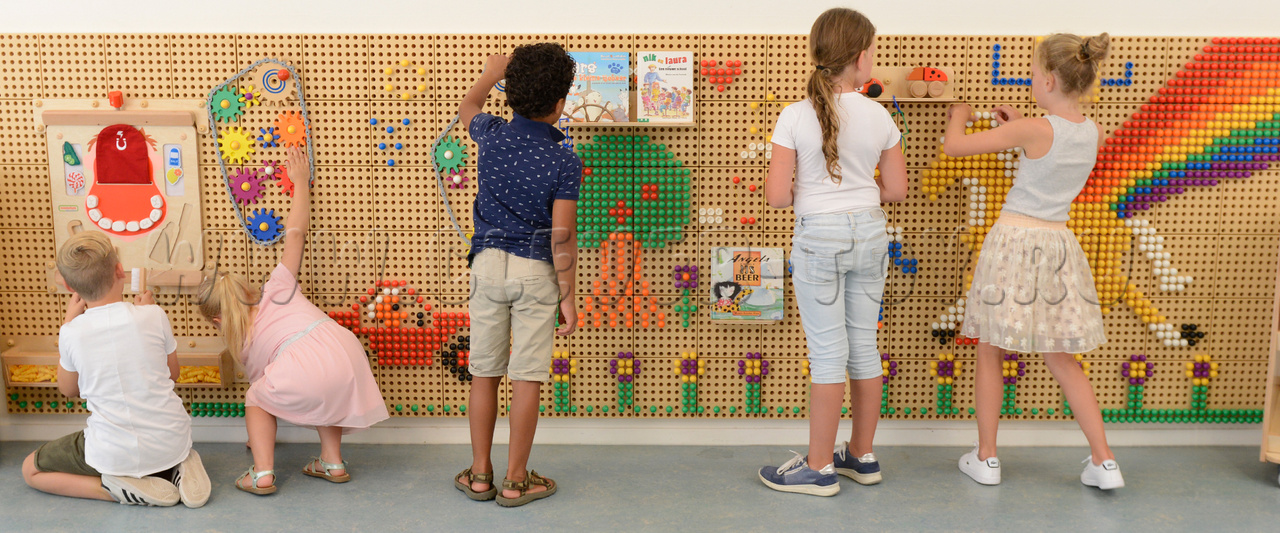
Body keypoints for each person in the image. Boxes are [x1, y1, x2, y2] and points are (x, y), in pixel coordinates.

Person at [944, 32, 1123, 490]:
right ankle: (1104, 462)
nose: (1029, 80)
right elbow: (1050, 150)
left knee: (990, 348)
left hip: (1014, 243)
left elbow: (955, 147)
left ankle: (987, 458)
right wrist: (1021, 125)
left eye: (1031, 73)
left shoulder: (1034, 129)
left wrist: (958, 114)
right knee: (1063, 358)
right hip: (1059, 245)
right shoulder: (1092, 131)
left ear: (1047, 80)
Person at [759, 7, 908, 497]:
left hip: (819, 236)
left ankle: (819, 467)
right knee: (864, 346)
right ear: (862, 58)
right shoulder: (880, 115)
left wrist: (813, 189)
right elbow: (896, 190)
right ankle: (861, 456)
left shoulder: (793, 115)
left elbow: (777, 197)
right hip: (870, 232)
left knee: (827, 355)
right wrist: (859, 188)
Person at [196, 146, 389, 495]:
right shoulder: (277, 287)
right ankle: (332, 461)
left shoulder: (243, 343)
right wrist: (300, 181)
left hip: (307, 364)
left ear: (218, 320)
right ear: (246, 289)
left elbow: (267, 397)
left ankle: (262, 473)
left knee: (256, 397)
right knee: (323, 388)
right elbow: (296, 233)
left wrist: (256, 436)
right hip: (343, 349)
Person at [453, 42, 581, 507]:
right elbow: (561, 237)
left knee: (484, 372)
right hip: (535, 272)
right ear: (560, 103)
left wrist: (491, 74)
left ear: (510, 94)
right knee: (527, 377)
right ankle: (515, 479)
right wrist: (567, 295)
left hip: (487, 266)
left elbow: (467, 107)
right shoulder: (565, 159)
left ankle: (480, 473)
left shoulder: (490, 134)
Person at [23, 230, 211, 507]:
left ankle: (113, 489)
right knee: (168, 449)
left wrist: (68, 323)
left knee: (31, 469)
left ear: (69, 286)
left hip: (113, 453)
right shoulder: (154, 315)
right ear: (120, 271)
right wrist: (149, 311)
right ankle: (178, 465)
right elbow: (173, 374)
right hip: (172, 441)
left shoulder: (71, 332)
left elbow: (68, 389)